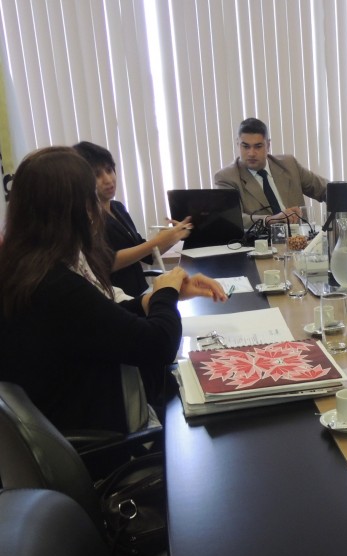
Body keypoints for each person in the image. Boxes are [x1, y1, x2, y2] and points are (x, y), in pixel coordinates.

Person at [0, 147, 228, 435]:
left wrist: (153, 299)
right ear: (74, 210)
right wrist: (165, 295)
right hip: (106, 434)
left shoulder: (27, 268)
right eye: (89, 200)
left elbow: (99, 319)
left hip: (75, 413)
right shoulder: (56, 285)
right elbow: (159, 346)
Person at [73, 141, 192, 297]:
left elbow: (147, 255)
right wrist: (156, 242)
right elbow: (106, 262)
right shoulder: (85, 218)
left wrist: (175, 236)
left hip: (142, 293)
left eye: (109, 170)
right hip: (117, 298)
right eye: (97, 175)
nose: (108, 180)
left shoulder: (118, 208)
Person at [214, 117, 328, 230]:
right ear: (237, 144)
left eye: (258, 146)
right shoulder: (227, 177)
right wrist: (270, 220)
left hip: (300, 238)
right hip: (261, 240)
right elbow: (232, 218)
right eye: (246, 146)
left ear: (268, 145)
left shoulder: (289, 165)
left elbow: (327, 189)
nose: (251, 153)